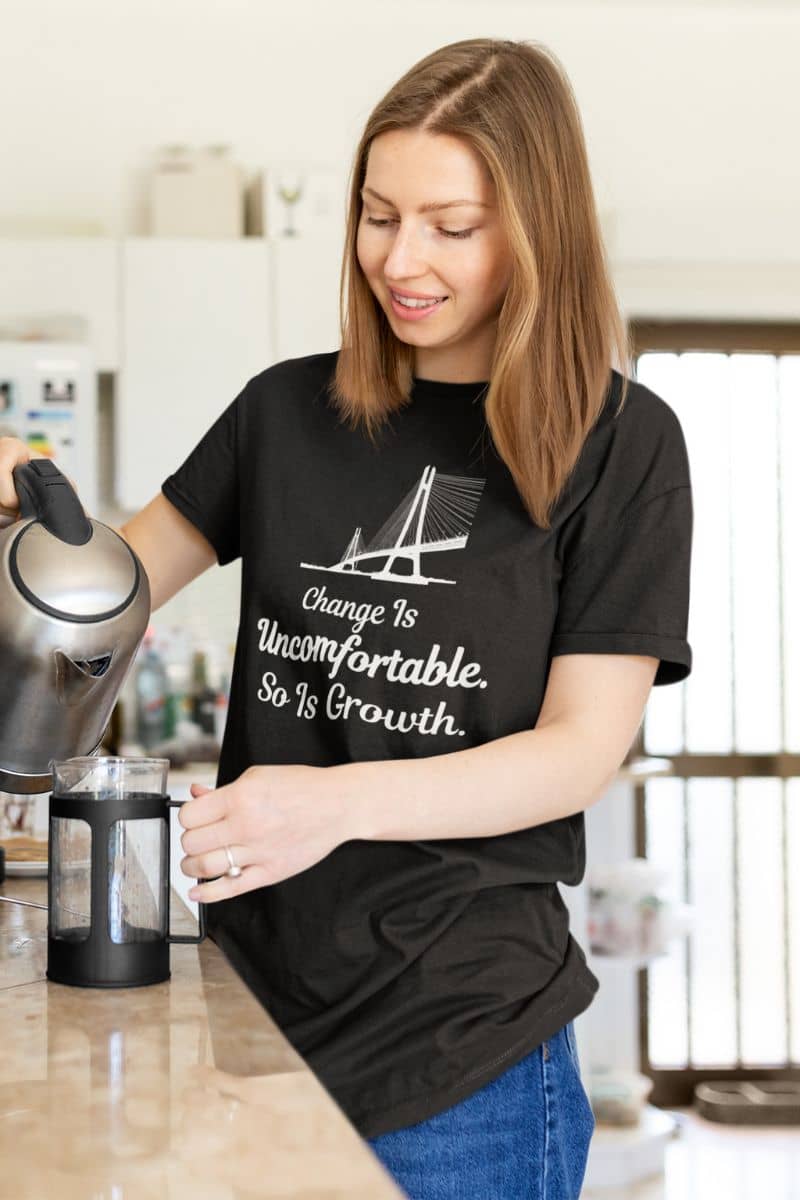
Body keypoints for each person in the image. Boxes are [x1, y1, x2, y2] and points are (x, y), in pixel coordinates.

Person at [0, 36, 693, 1200]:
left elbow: (581, 750)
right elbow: (108, 594)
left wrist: (332, 803)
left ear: (538, 228)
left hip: (466, 1053)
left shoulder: (619, 446)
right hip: (253, 1016)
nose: (399, 258)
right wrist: (27, 504)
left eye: (449, 226)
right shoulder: (282, 413)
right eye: (376, 216)